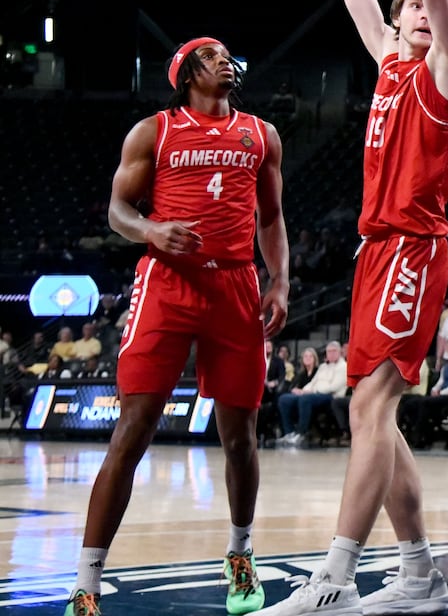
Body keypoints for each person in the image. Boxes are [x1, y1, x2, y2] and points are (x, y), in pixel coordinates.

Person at [260, 0, 448, 615]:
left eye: (426, 6)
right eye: (410, 6)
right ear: (396, 20)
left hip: (415, 248)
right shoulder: (386, 57)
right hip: (373, 253)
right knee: (375, 419)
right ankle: (419, 574)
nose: (421, 10)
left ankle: (335, 581)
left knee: (369, 411)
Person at [65, 37, 290, 616]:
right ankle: (86, 584)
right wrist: (152, 231)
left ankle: (240, 554)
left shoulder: (262, 134)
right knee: (133, 430)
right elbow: (118, 211)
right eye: (211, 54)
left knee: (240, 438)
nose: (225, 59)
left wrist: (280, 281)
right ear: (187, 73)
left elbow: (272, 216)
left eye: (227, 54)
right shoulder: (153, 131)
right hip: (166, 283)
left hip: (236, 285)